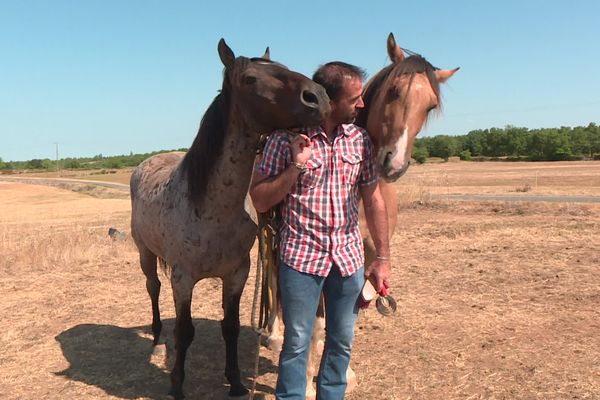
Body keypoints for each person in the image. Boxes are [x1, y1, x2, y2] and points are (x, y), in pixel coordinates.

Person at [250, 62, 391, 400]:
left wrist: (383, 257)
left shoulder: (359, 141)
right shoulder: (285, 141)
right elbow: (259, 199)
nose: (361, 105)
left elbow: (374, 200)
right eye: (354, 99)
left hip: (347, 261)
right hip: (301, 261)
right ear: (329, 100)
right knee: (297, 342)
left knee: (342, 340)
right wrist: (296, 165)